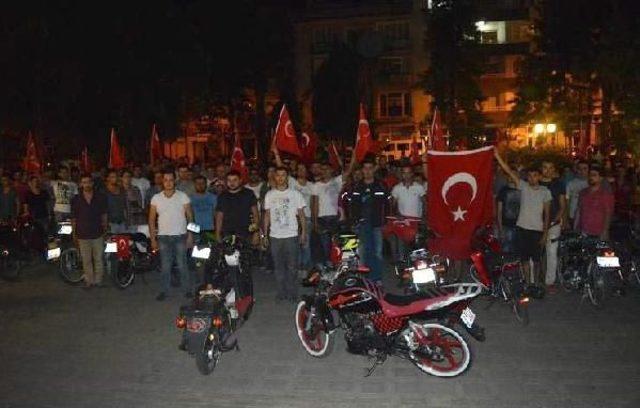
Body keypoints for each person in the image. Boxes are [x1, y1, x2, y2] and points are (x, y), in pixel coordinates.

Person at [495, 151, 551, 290]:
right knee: (524, 259)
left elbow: (547, 215)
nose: (532, 178)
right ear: (527, 177)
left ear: (540, 176)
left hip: (537, 230)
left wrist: (545, 234)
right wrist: (497, 155)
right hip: (522, 229)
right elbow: (508, 170)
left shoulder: (545, 191)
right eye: (530, 176)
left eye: (535, 175)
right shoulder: (523, 186)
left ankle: (536, 283)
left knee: (537, 260)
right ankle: (527, 283)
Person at [149, 170, 194, 301]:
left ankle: (187, 290)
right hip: (163, 237)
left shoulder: (183, 196)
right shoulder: (156, 198)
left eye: (171, 180)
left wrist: (190, 235)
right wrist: (153, 239)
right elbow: (151, 220)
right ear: (162, 182)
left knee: (182, 264)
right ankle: (164, 291)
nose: (168, 183)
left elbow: (190, 217)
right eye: (165, 180)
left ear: (175, 181)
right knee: (165, 266)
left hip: (180, 236)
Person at [343, 159, 390, 282]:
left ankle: (377, 279)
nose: (368, 171)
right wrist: (353, 222)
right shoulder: (356, 187)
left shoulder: (382, 186)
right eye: (365, 168)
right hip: (362, 225)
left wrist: (386, 222)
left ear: (374, 169)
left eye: (370, 168)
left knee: (378, 253)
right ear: (362, 170)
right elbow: (351, 207)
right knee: (363, 253)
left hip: (377, 225)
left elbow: (388, 205)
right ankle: (365, 281)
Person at [263, 167, 306, 302]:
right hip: (275, 236)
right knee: (278, 266)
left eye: (283, 175)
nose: (280, 178)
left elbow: (301, 215)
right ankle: (281, 292)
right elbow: (267, 215)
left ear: (287, 177)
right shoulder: (270, 195)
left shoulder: (295, 194)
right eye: (278, 175)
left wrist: (303, 232)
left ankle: (293, 292)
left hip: (291, 235)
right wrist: (264, 234)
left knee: (292, 266)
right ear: (274, 177)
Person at [71, 174, 108, 289]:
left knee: (98, 258)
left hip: (97, 231)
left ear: (92, 183)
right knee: (86, 259)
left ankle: (98, 280)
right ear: (81, 184)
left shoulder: (100, 197)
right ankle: (89, 280)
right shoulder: (76, 199)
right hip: (82, 232)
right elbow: (73, 218)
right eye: (84, 182)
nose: (86, 184)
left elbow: (104, 214)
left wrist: (105, 228)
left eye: (88, 182)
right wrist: (74, 233)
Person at [389, 163, 426, 261]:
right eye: (404, 173)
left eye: (408, 173)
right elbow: (392, 205)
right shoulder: (397, 188)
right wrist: (397, 215)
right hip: (403, 221)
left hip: (416, 222)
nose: (406, 175)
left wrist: (424, 217)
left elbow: (425, 203)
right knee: (402, 243)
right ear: (401, 174)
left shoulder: (419, 187)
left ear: (412, 174)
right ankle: (402, 263)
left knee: (417, 247)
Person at [540, 160, 567, 292]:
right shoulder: (535, 183)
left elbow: (562, 206)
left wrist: (554, 222)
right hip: (536, 223)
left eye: (550, 167)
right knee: (535, 253)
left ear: (554, 169)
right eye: (545, 167)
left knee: (551, 252)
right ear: (541, 169)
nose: (548, 170)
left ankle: (550, 281)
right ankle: (533, 280)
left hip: (553, 224)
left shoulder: (559, 184)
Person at [310, 163, 344, 266]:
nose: (325, 171)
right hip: (322, 218)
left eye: (327, 169)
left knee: (335, 244)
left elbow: (348, 171)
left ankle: (335, 264)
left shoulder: (337, 182)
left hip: (334, 218)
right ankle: (327, 266)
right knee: (324, 245)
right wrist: (315, 221)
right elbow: (315, 204)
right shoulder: (316, 186)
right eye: (322, 169)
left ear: (331, 170)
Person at [215, 170, 259, 239]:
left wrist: (256, 234)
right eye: (229, 180)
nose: (232, 183)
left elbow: (255, 215)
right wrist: (217, 235)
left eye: (235, 180)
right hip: (227, 234)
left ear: (240, 180)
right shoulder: (222, 196)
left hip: (246, 234)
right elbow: (219, 217)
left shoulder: (249, 194)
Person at [575, 166, 614, 240]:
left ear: (601, 178)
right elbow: (579, 210)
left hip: (598, 232)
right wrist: (575, 227)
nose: (591, 177)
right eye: (590, 175)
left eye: (594, 175)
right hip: (583, 230)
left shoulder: (605, 194)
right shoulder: (583, 192)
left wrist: (605, 231)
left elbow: (608, 213)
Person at [496, 174, 521, 254]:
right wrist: (500, 228)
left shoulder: (522, 190)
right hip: (506, 225)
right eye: (510, 175)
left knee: (517, 250)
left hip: (520, 225)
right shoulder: (503, 191)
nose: (512, 177)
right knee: (506, 249)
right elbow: (499, 210)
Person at [566, 160, 589, 227]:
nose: (582, 171)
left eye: (585, 168)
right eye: (580, 169)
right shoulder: (571, 184)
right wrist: (567, 217)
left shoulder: (592, 184)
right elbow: (567, 201)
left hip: (589, 216)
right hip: (573, 215)